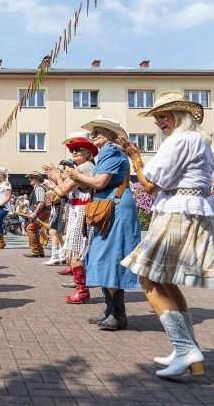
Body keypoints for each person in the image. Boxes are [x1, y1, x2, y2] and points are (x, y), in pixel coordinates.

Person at [118, 91, 214, 378]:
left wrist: (135, 158)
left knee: (148, 278)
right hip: (192, 210)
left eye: (163, 115)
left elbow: (150, 185)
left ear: (179, 115)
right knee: (165, 280)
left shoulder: (180, 140)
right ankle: (190, 352)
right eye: (157, 116)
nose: (158, 121)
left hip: (178, 212)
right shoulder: (199, 139)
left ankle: (185, 348)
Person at [65, 116, 141, 330]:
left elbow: (99, 182)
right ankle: (111, 310)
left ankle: (117, 314)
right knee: (104, 258)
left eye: (98, 132)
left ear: (111, 135)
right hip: (111, 206)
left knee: (109, 258)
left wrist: (76, 175)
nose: (93, 135)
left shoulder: (111, 151)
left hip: (114, 207)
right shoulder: (111, 152)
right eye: (93, 132)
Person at [46, 139, 98, 303]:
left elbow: (63, 190)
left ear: (89, 153)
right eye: (72, 150)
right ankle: (81, 288)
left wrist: (56, 179)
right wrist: (57, 179)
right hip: (77, 211)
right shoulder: (81, 168)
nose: (74, 152)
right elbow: (65, 192)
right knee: (72, 250)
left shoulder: (85, 167)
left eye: (78, 149)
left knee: (75, 251)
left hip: (82, 212)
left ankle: (82, 290)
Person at [22, 171, 49, 258]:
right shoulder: (37, 188)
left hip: (41, 212)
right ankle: (39, 251)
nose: (30, 179)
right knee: (34, 230)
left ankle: (35, 251)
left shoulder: (38, 188)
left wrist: (34, 213)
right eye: (30, 178)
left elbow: (41, 203)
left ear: (37, 179)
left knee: (30, 229)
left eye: (32, 178)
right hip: (41, 212)